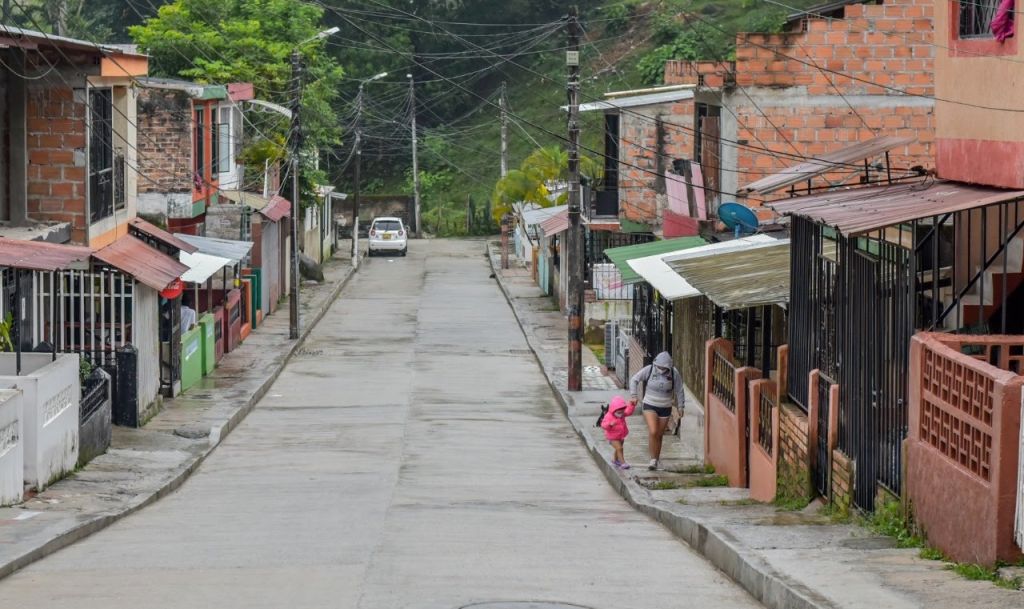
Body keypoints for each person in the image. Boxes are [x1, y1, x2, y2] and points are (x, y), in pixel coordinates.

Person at [629, 351, 685, 471]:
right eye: (660, 367)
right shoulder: (649, 369)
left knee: (659, 435)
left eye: (664, 368)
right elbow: (634, 379)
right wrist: (634, 395)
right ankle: (652, 459)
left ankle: (655, 460)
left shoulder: (674, 373)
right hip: (650, 404)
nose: (662, 369)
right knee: (653, 431)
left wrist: (681, 406)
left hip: (665, 407)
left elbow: (680, 390)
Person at [600, 395, 635, 469]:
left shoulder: (622, 414)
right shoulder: (609, 416)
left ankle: (615, 459)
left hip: (620, 435)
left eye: (622, 412)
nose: (621, 414)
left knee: (618, 448)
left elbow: (628, 411)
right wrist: (610, 424)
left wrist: (632, 405)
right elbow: (603, 425)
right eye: (619, 413)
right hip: (612, 437)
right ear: (613, 410)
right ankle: (623, 463)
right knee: (619, 448)